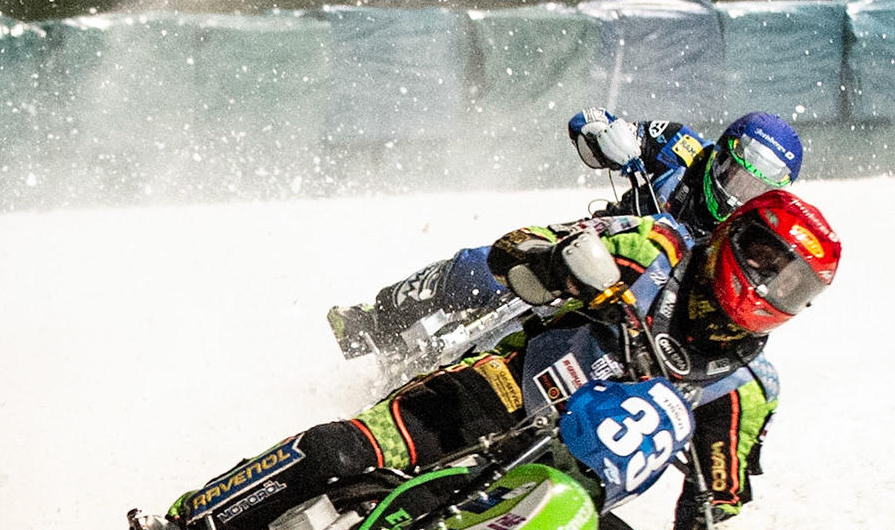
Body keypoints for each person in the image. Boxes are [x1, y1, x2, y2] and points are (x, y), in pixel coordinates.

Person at [134, 189, 842, 530]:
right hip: (498, 397)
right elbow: (519, 247)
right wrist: (566, 264)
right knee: (340, 453)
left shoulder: (751, 385)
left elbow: (716, 500)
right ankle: (191, 525)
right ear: (732, 236)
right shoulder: (658, 246)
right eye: (763, 257)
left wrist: (718, 529)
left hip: (570, 498)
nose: (768, 284)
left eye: (793, 282)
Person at [329, 110, 804, 368]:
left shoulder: (749, 237)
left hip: (640, 303)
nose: (737, 194)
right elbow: (590, 121)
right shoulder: (682, 147)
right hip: (593, 241)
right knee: (486, 264)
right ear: (719, 154)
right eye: (735, 176)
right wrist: (608, 135)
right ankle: (378, 317)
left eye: (757, 190)